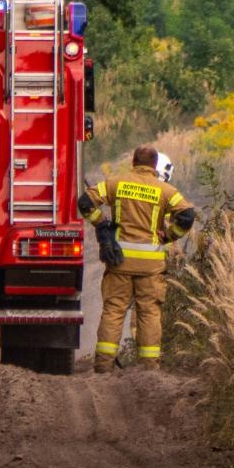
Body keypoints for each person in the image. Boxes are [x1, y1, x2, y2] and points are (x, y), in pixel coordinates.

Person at [79, 145, 197, 372]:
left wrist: (101, 224)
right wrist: (170, 236)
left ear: (133, 162)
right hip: (151, 265)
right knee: (149, 312)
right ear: (155, 166)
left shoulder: (116, 183)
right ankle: (150, 368)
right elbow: (187, 215)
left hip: (119, 261)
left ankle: (103, 366)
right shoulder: (165, 191)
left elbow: (85, 203)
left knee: (113, 311)